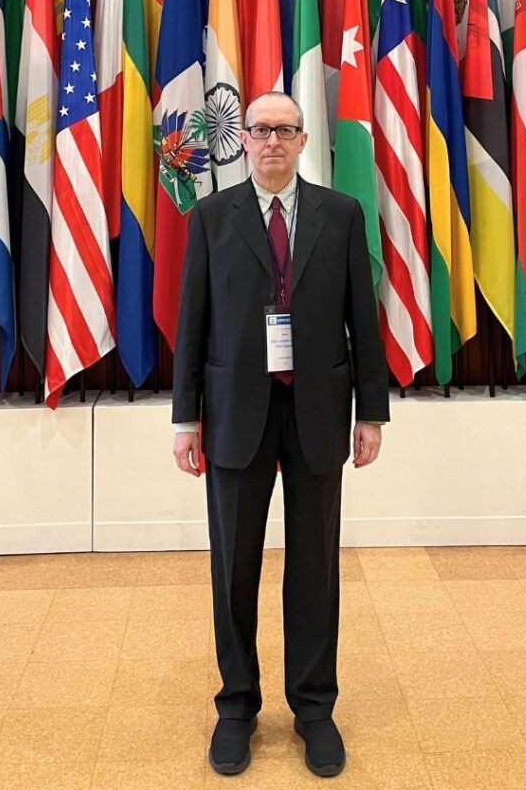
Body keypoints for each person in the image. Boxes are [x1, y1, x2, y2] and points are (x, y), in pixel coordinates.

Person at [171, 92, 390, 778]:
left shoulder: (342, 215)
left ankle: (314, 708)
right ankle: (236, 705)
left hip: (318, 413)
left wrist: (372, 411)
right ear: (245, 141)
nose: (271, 141)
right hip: (236, 416)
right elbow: (192, 326)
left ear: (303, 141)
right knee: (233, 567)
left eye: (284, 131)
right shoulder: (211, 218)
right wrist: (185, 418)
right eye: (260, 130)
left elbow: (364, 316)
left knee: (315, 568)